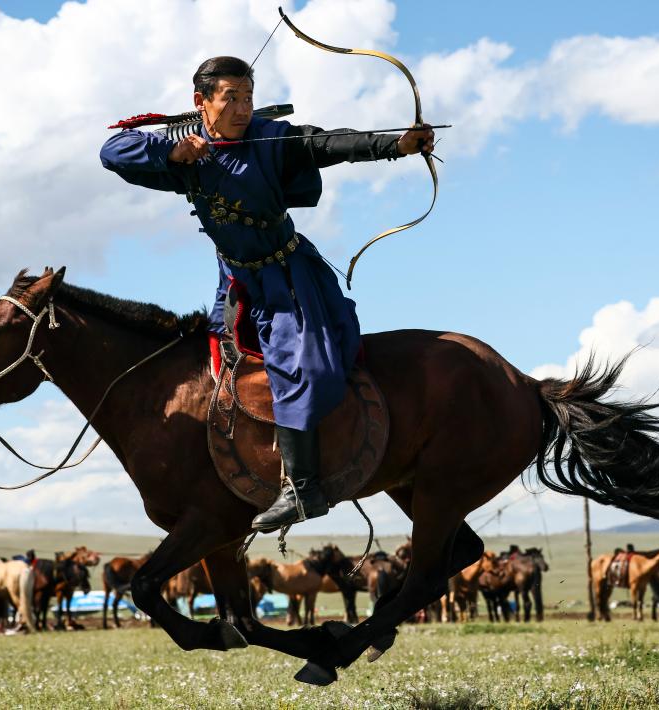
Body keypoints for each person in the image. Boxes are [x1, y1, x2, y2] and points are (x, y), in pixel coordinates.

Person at [100, 56, 434, 531]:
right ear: (201, 102)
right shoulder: (185, 149)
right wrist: (171, 154)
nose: (241, 108)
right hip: (235, 283)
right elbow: (113, 150)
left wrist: (395, 144)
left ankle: (302, 487)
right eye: (229, 98)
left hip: (287, 277)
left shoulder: (273, 140)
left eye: (248, 97)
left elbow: (329, 142)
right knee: (214, 368)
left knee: (298, 363)